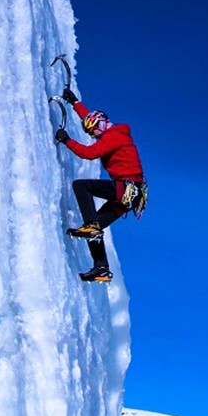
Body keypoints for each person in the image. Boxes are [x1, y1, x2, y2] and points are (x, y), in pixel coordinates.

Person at [53, 88, 146, 283]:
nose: (93, 135)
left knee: (81, 187)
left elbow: (89, 153)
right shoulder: (109, 132)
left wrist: (67, 140)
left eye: (93, 131)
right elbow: (91, 119)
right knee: (94, 228)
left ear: (101, 125)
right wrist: (74, 103)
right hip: (129, 195)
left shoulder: (114, 135)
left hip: (127, 188)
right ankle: (101, 268)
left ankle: (92, 226)